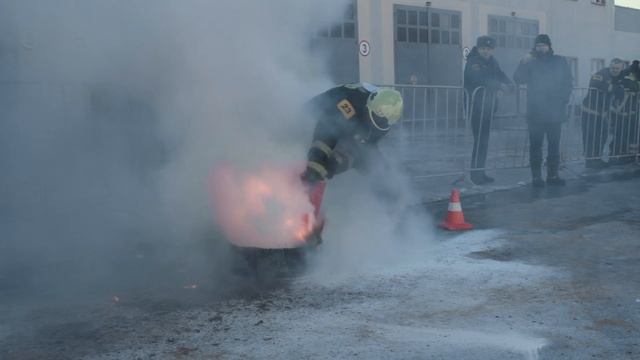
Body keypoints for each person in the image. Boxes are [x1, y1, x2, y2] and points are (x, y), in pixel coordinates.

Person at [300, 83, 404, 185]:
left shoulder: (383, 123)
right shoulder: (350, 102)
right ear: (369, 106)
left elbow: (366, 147)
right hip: (314, 117)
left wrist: (339, 161)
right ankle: (303, 172)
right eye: (376, 118)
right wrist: (317, 159)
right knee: (319, 161)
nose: (377, 122)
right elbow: (327, 129)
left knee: (378, 167)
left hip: (348, 128)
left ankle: (390, 193)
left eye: (382, 122)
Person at [513, 34, 573, 187]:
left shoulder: (559, 61)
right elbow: (518, 79)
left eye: (543, 45)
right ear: (535, 47)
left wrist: (562, 100)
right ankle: (536, 178)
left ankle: (553, 175)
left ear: (549, 46)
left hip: (555, 112)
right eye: (538, 45)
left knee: (554, 145)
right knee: (535, 146)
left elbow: (568, 82)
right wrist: (523, 62)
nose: (541, 48)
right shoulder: (531, 63)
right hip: (536, 112)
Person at [464, 35, 514, 185]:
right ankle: (475, 175)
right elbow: (477, 79)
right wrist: (499, 85)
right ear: (478, 49)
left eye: (489, 49)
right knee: (479, 141)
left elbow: (501, 74)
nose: (486, 51)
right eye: (483, 48)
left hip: (488, 106)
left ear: (493, 50)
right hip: (476, 107)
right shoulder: (473, 61)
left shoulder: (493, 62)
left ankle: (481, 172)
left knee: (483, 141)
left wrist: (510, 84)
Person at [581, 58, 627, 169]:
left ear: (621, 69)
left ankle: (597, 159)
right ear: (609, 66)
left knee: (602, 135)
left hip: (602, 112)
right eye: (613, 68)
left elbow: (619, 92)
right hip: (590, 111)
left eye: (617, 68)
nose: (615, 70)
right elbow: (595, 85)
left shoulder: (619, 77)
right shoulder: (600, 74)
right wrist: (613, 87)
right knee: (590, 136)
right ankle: (590, 161)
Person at [609, 59, 640, 164]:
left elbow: (635, 88)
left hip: (633, 112)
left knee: (631, 136)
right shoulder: (628, 73)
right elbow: (625, 88)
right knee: (619, 134)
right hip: (622, 112)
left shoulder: (634, 73)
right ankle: (614, 155)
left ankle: (630, 156)